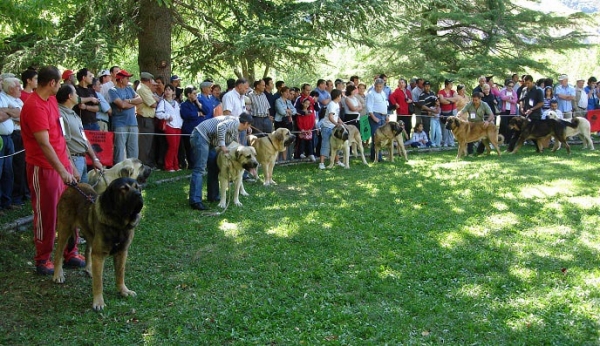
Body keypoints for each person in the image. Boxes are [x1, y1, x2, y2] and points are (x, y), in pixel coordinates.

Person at [20, 66, 84, 275]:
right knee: (47, 214)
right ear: (52, 84)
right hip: (44, 168)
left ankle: (70, 252)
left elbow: (59, 138)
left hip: (61, 165)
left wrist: (70, 166)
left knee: (71, 209)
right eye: (59, 83)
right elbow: (44, 144)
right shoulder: (34, 106)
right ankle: (43, 258)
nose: (62, 86)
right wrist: (60, 170)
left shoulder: (51, 103)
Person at [188, 113, 253, 211]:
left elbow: (234, 143)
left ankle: (213, 196)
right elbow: (221, 126)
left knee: (214, 167)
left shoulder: (235, 128)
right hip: (200, 136)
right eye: (249, 126)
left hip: (209, 141)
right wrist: (222, 146)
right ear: (246, 123)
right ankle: (195, 201)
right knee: (200, 169)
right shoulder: (234, 122)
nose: (248, 128)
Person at [57, 84, 103, 183]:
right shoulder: (60, 114)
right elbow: (62, 143)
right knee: (74, 196)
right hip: (72, 160)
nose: (78, 96)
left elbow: (84, 138)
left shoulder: (74, 114)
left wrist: (94, 159)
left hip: (82, 159)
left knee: (84, 197)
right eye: (76, 93)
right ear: (69, 96)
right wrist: (72, 167)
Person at [109, 69, 142, 164]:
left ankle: (134, 172)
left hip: (133, 123)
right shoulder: (113, 91)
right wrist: (133, 103)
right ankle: (118, 173)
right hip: (120, 124)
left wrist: (129, 101)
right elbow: (121, 105)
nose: (128, 80)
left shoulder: (129, 89)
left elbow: (140, 99)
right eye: (127, 78)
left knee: (134, 150)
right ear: (120, 79)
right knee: (119, 151)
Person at [155, 84, 182, 172]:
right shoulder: (163, 102)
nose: (167, 91)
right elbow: (158, 113)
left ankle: (176, 165)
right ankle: (168, 166)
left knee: (177, 147)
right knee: (172, 146)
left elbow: (179, 115)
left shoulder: (176, 103)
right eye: (166, 90)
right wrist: (167, 116)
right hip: (169, 126)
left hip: (178, 126)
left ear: (173, 92)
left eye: (170, 90)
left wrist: (181, 123)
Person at [135, 72, 159, 168]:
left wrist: (155, 99)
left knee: (149, 143)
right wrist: (155, 100)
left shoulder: (146, 89)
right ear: (149, 81)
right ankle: (142, 165)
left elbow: (155, 98)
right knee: (144, 144)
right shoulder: (142, 89)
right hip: (144, 119)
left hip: (149, 119)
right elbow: (153, 104)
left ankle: (147, 164)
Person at [319, 89, 345, 169]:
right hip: (327, 127)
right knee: (326, 144)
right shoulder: (332, 104)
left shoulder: (337, 104)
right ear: (337, 96)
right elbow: (330, 117)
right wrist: (336, 124)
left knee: (336, 144)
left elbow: (336, 116)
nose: (341, 97)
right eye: (341, 95)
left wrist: (341, 122)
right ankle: (321, 163)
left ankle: (337, 161)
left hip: (333, 127)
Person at [366, 78, 389, 161]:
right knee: (376, 137)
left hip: (383, 116)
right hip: (375, 115)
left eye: (380, 86)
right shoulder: (371, 94)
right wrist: (373, 117)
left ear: (383, 86)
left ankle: (377, 156)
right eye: (377, 86)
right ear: (374, 86)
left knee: (381, 137)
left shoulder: (383, 93)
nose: (379, 88)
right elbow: (369, 107)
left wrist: (386, 115)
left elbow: (385, 104)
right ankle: (376, 157)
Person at [274, 86, 297, 160]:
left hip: (288, 123)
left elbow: (294, 111)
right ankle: (277, 160)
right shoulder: (278, 101)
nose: (288, 94)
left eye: (288, 92)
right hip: (280, 123)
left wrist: (288, 110)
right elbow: (282, 112)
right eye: (286, 92)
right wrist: (288, 111)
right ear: (282, 92)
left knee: (286, 141)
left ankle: (285, 159)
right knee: (278, 140)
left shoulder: (289, 102)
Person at [438, 79, 457, 147]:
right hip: (444, 111)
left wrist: (447, 99)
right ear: (446, 84)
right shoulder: (441, 91)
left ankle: (451, 141)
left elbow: (456, 99)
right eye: (450, 84)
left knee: (453, 126)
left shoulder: (453, 91)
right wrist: (451, 100)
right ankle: (445, 142)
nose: (451, 85)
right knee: (445, 127)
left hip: (453, 110)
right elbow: (442, 101)